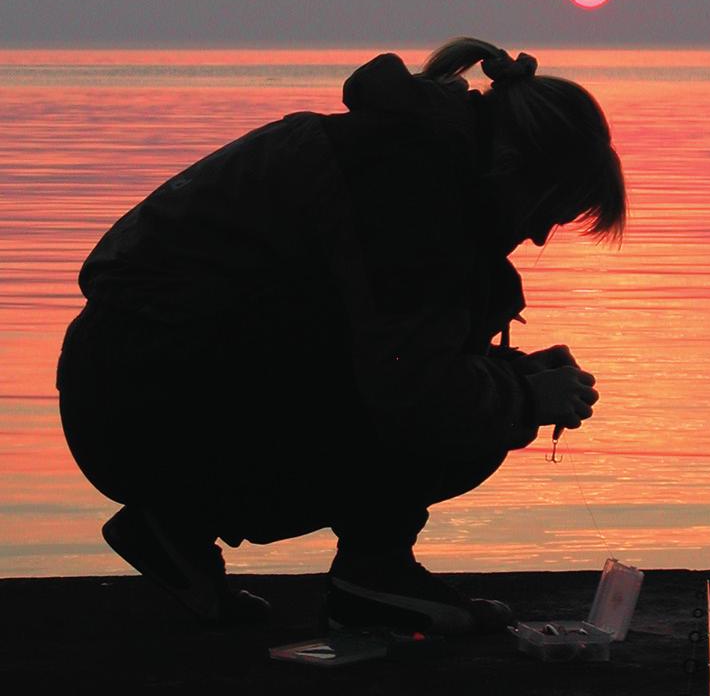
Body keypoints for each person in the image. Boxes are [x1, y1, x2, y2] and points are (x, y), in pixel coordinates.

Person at [56, 38, 626, 634]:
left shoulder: (403, 157)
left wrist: (507, 372)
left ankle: (174, 527)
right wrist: (529, 397)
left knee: (469, 390)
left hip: (121, 392)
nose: (537, 237)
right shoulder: (409, 187)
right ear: (518, 169)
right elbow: (415, 391)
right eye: (551, 213)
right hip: (150, 405)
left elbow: (378, 336)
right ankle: (372, 573)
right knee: (463, 415)